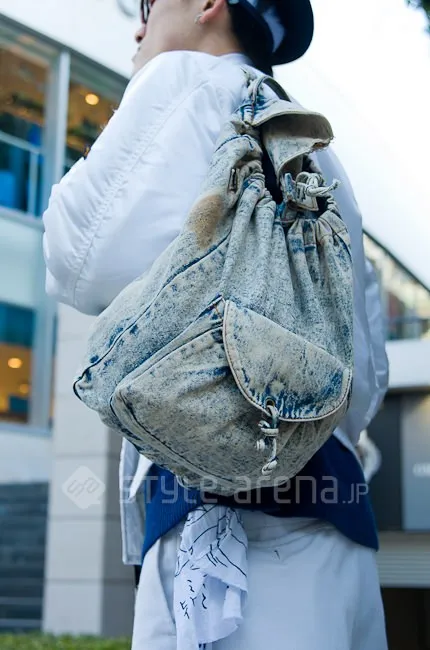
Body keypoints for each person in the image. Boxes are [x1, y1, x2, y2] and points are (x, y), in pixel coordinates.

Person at [42, 0, 389, 647]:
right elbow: (365, 377)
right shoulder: (313, 143)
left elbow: (73, 257)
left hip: (230, 535)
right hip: (332, 525)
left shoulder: (190, 83)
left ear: (208, 4)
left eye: (148, 5)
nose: (138, 27)